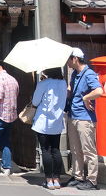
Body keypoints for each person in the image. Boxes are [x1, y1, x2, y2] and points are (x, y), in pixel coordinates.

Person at [65, 47, 103, 190]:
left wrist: (87, 97)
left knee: (88, 150)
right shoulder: (75, 74)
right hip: (73, 115)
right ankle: (78, 176)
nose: (67, 62)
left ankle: (92, 181)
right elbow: (71, 91)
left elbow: (99, 91)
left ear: (75, 59)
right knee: (75, 149)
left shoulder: (89, 74)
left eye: (68, 59)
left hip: (85, 118)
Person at [31, 67, 67, 190]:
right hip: (57, 121)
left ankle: (48, 180)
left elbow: (35, 102)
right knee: (55, 149)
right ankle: (56, 180)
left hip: (43, 121)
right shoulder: (63, 83)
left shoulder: (44, 83)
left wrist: (42, 83)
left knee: (45, 150)